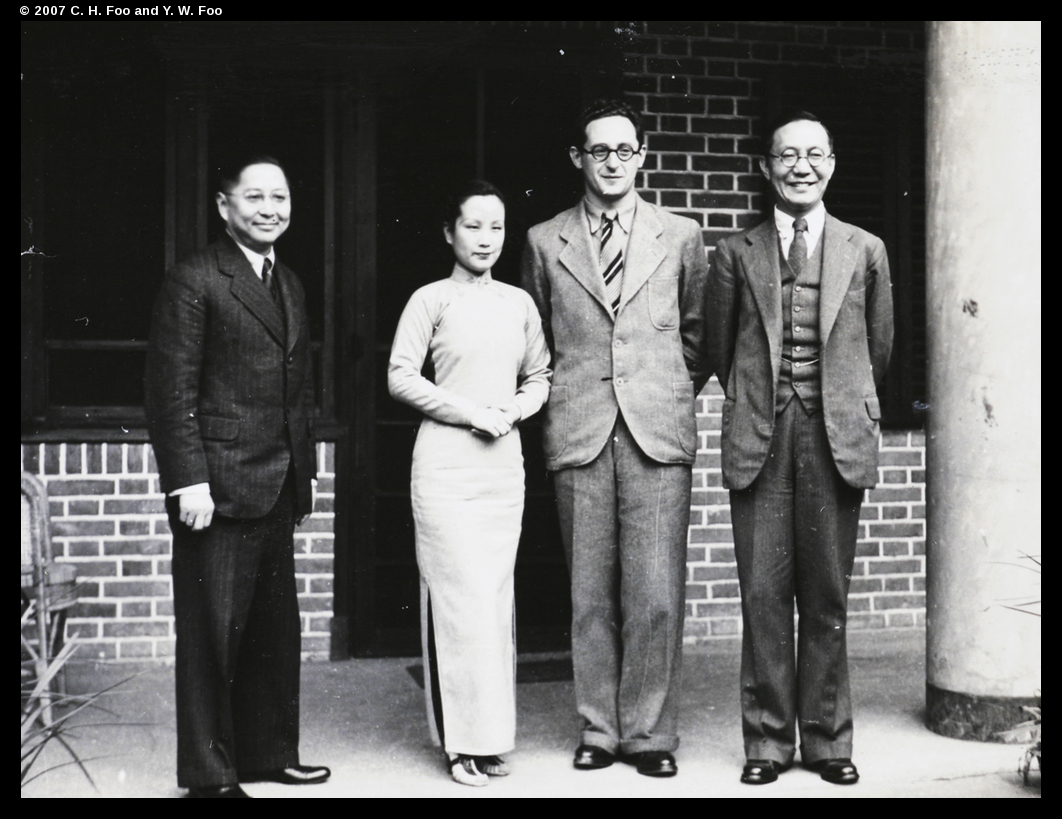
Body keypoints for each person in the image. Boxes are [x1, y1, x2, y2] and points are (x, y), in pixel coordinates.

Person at [521, 99, 709, 778]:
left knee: (656, 592)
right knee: (590, 593)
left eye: (624, 150)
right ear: (579, 158)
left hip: (656, 430)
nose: (612, 162)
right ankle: (599, 727)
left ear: (643, 155)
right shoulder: (546, 241)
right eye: (598, 151)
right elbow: (536, 337)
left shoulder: (681, 235)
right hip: (580, 429)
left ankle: (651, 734)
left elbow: (699, 336)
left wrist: (656, 389)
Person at [707, 112, 894, 786]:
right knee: (762, 595)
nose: (801, 166)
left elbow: (878, 348)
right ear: (766, 167)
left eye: (815, 154)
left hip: (834, 436)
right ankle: (765, 743)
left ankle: (827, 739)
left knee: (826, 595)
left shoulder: (865, 248)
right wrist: (764, 400)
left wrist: (836, 402)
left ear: (834, 163)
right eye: (787, 155)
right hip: (759, 434)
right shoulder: (736, 253)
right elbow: (720, 351)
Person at [145, 156, 329, 798]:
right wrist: (187, 480)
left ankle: (268, 752)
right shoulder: (196, 278)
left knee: (274, 632)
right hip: (217, 488)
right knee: (211, 639)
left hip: (276, 483)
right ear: (224, 207)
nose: (270, 208)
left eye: (280, 196)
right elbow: (171, 393)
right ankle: (208, 775)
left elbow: (295, 389)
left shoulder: (290, 282)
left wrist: (303, 474)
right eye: (255, 197)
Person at [388, 181, 551, 787]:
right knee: (457, 604)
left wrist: (511, 411)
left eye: (497, 228)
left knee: (493, 601)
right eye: (473, 226)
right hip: (446, 467)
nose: (486, 239)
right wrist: (469, 412)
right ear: (449, 232)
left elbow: (540, 375)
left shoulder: (519, 304)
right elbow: (400, 375)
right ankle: (459, 745)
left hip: (502, 469)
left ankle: (490, 740)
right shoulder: (429, 299)